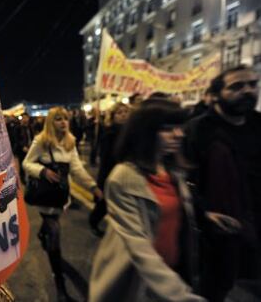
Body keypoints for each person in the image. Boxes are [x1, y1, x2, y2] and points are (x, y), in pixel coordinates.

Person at [89, 99, 205, 302]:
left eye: (180, 127)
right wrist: (181, 295)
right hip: (142, 281)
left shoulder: (173, 170)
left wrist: (207, 217)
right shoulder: (124, 177)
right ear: (146, 132)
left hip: (175, 272)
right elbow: (138, 245)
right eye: (168, 129)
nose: (179, 134)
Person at [184, 65, 261, 301]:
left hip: (255, 221)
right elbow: (183, 180)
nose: (247, 91)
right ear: (216, 94)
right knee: (216, 287)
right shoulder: (197, 130)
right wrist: (203, 214)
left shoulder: (259, 124)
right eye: (236, 86)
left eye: (252, 84)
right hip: (218, 230)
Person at [23, 106, 103, 302]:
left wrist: (93, 187)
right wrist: (43, 171)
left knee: (51, 227)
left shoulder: (70, 142)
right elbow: (27, 163)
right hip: (45, 197)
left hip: (60, 196)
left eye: (65, 118)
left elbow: (76, 169)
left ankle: (43, 233)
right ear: (51, 121)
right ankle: (60, 284)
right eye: (58, 119)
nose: (63, 122)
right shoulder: (41, 141)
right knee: (55, 235)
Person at [89, 102, 130, 237]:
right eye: (119, 113)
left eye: (125, 112)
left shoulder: (130, 131)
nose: (123, 115)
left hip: (126, 173)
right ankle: (93, 221)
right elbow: (106, 159)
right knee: (104, 203)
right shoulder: (110, 133)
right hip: (111, 172)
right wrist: (102, 181)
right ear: (113, 116)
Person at [13, 112, 34, 184]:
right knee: (22, 164)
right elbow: (16, 139)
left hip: (30, 148)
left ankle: (30, 177)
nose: (25, 119)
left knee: (31, 163)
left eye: (26, 117)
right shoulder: (17, 128)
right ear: (21, 119)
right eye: (24, 118)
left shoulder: (30, 127)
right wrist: (23, 147)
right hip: (21, 150)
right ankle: (23, 179)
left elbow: (32, 137)